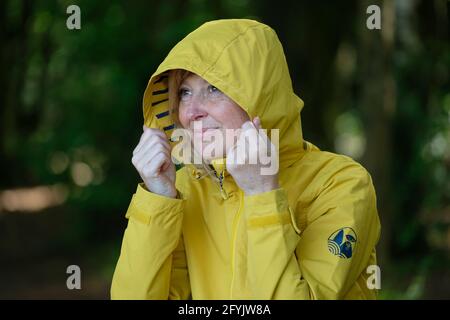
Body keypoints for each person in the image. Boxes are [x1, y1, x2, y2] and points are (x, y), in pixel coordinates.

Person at [111, 19, 381, 300]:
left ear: (261, 97)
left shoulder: (341, 184)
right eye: (184, 92)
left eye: (214, 88)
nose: (192, 113)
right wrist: (158, 201)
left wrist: (262, 194)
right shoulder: (185, 189)